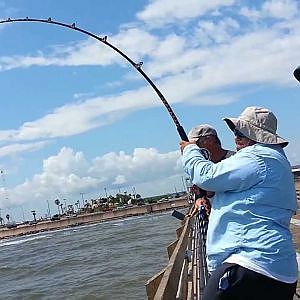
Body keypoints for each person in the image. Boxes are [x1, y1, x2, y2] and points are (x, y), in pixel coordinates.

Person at [180, 107, 298, 300]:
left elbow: (206, 176)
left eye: (240, 132)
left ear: (255, 135)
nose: (235, 137)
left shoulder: (257, 156)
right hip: (279, 270)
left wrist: (190, 150)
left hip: (250, 263)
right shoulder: (275, 158)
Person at [186, 124, 235, 218]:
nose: (194, 150)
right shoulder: (201, 168)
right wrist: (199, 199)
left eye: (195, 145)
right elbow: (201, 191)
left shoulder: (234, 160)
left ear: (210, 140)